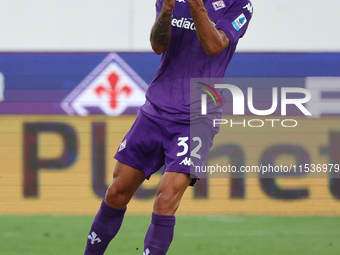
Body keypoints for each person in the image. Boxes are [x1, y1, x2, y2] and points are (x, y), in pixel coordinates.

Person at [84, 0, 252, 254]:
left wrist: (197, 6)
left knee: (165, 199)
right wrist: (166, 10)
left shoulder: (239, 5)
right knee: (117, 192)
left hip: (197, 119)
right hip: (155, 111)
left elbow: (214, 46)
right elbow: (158, 45)